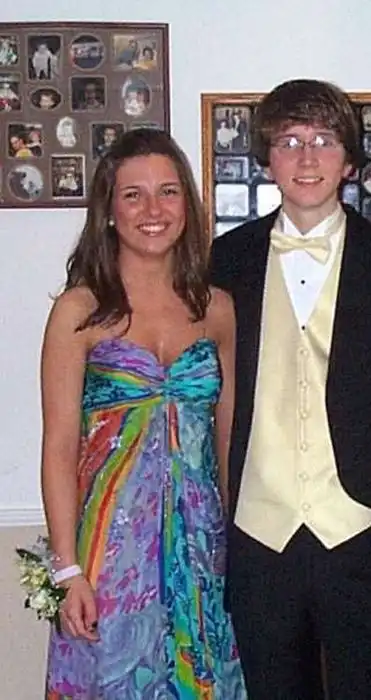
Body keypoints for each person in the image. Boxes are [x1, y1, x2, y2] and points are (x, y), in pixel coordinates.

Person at [209, 78, 371, 700]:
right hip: (259, 538)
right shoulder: (224, 261)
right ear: (266, 160)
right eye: (289, 141)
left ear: (349, 161)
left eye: (324, 140)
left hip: (366, 536)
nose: (307, 157)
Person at [41, 127, 246, 698]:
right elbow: (59, 445)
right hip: (108, 553)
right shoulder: (79, 311)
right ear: (109, 211)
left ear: (188, 205)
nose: (153, 210)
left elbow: (228, 441)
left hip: (202, 549)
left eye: (168, 192)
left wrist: (239, 554)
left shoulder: (218, 309)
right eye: (133, 195)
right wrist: (66, 568)